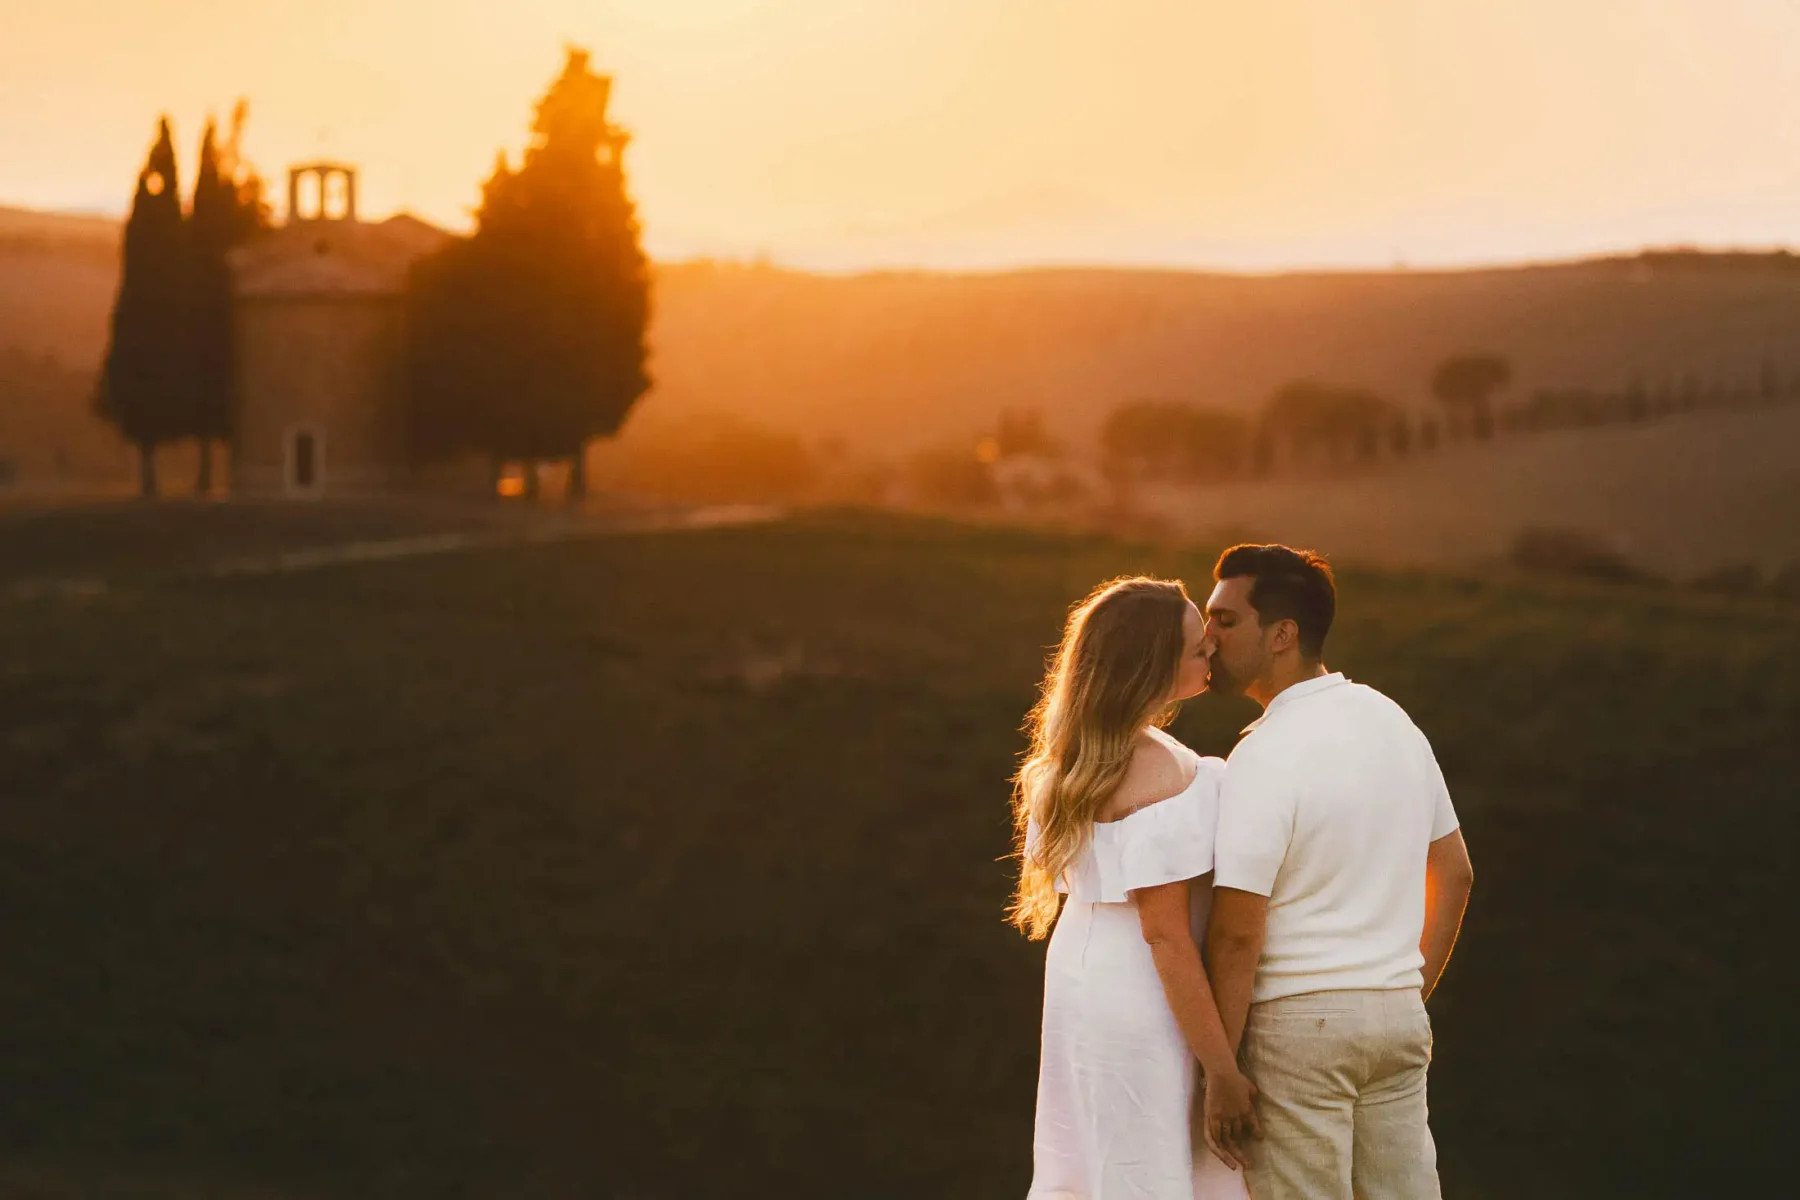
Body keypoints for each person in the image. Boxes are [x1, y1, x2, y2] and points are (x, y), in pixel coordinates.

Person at [1199, 545, 1475, 1199]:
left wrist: (1221, 1071)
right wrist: (1402, 989)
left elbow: (1238, 931)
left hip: (1297, 1030)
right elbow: (1457, 872)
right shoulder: (1394, 722)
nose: (1207, 637)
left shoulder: (1263, 753)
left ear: (1282, 635)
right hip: (1395, 1019)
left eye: (1226, 621)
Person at [1012, 575, 1259, 1200]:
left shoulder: (1078, 751)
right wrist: (1222, 1070)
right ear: (1150, 664)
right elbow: (1166, 936)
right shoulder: (1155, 765)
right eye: (1194, 644)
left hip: (1081, 974)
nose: (1209, 648)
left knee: (1094, 1160)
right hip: (1143, 993)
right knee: (1144, 1167)